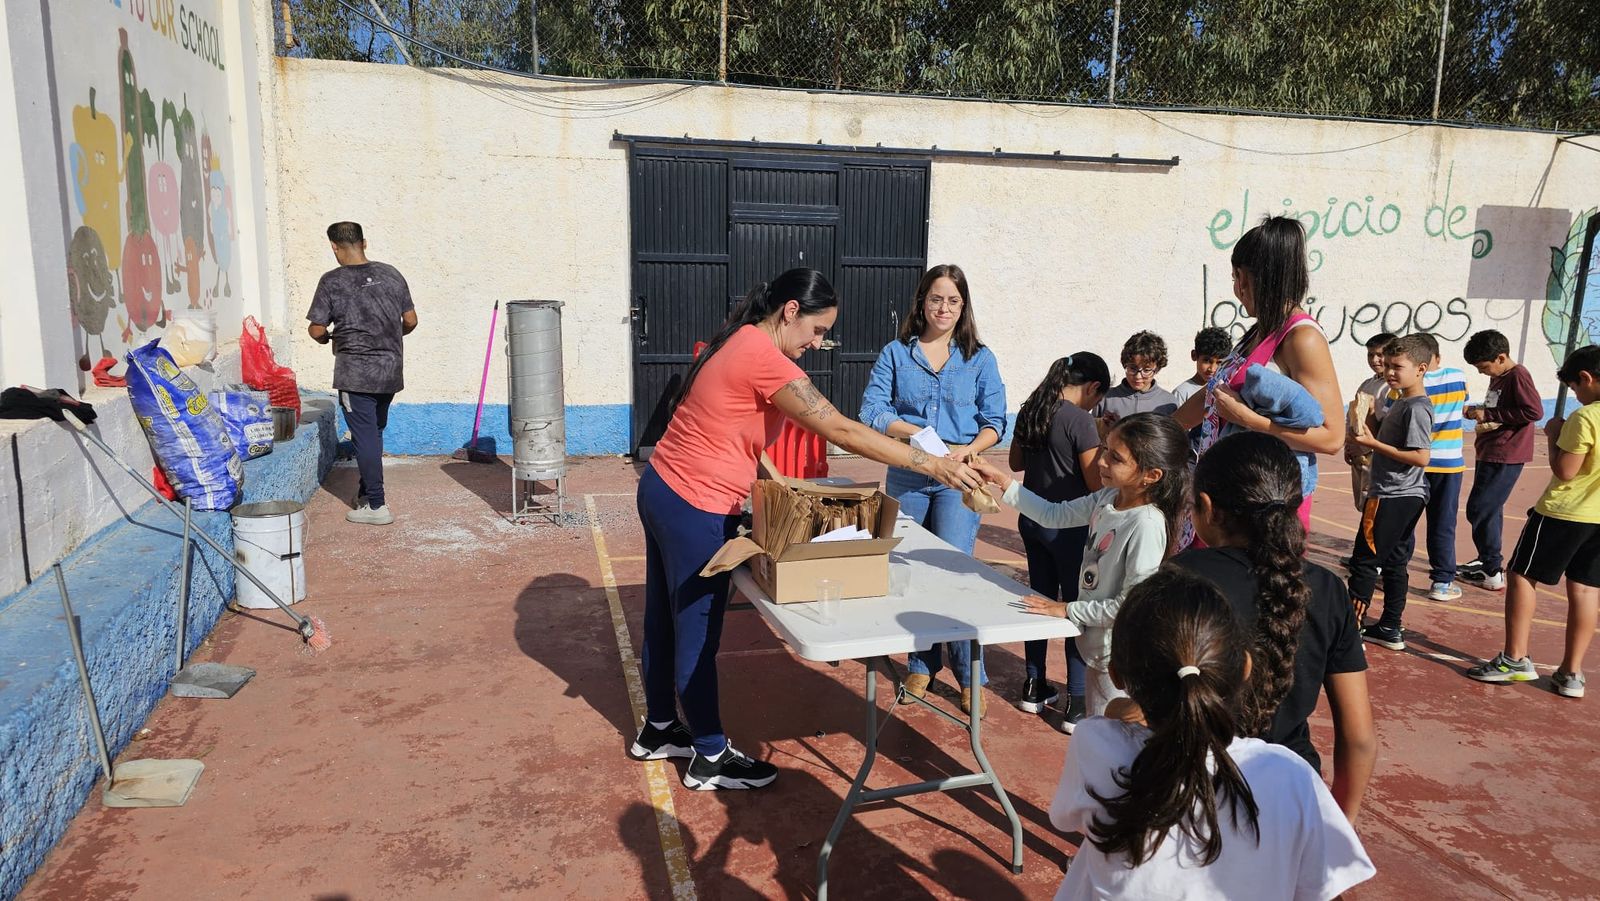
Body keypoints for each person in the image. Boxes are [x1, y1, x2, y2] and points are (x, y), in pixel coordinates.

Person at [631, 268, 983, 790]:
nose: (818, 344)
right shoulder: (762, 357)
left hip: (663, 488)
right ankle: (708, 753)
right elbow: (840, 427)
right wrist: (935, 465)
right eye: (817, 332)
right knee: (697, 631)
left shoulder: (739, 337)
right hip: (696, 504)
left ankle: (660, 727)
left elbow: (734, 433)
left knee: (665, 617)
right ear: (790, 311)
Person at [1047, 568, 1376, 900]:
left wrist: (1120, 708)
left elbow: (1067, 815)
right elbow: (1324, 889)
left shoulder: (1096, 746)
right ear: (1246, 668)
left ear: (1117, 675)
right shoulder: (1291, 776)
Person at [1174, 431, 1376, 821]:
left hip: (1193, 793)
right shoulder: (1328, 588)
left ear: (1207, 507)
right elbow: (1359, 737)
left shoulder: (1179, 577)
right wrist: (1340, 827)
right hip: (1293, 795)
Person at [860, 264, 1007, 714]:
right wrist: (916, 439)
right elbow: (872, 411)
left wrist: (963, 451)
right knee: (910, 571)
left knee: (952, 571)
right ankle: (922, 665)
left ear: (963, 308)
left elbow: (996, 422)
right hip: (909, 475)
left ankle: (970, 675)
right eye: (936, 299)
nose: (944, 308)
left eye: (953, 301)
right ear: (922, 302)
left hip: (959, 480)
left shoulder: (979, 358)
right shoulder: (896, 353)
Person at [973, 413, 1189, 718]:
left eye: (1115, 458)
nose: (1101, 461)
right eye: (1104, 449)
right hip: (1096, 650)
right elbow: (1054, 514)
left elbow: (1130, 606)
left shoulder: (1146, 525)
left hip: (1119, 661)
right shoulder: (1108, 498)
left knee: (1109, 740)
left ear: (1151, 475)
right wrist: (1001, 480)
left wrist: (1069, 609)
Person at [1176, 216, 1345, 540]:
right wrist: (1161, 429)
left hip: (1261, 509)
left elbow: (1332, 437)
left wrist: (1251, 420)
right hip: (1226, 494)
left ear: (1260, 279)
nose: (1237, 288)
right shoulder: (1257, 331)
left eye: (1240, 277)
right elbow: (1216, 394)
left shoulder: (1302, 339)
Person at [1468, 345, 1600, 699]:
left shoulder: (1586, 418)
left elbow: (1565, 471)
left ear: (1586, 379)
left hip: (1564, 512)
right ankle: (1572, 672)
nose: (1575, 395)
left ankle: (1514, 659)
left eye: (1575, 388)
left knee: (1522, 574)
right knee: (1586, 589)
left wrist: (1554, 435)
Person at [1007, 352, 1110, 730]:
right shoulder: (1080, 420)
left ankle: (1033, 684)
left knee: (1039, 602)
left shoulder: (1034, 408)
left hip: (1032, 521)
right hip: (1071, 528)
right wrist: (1098, 438)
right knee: (1074, 609)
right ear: (1093, 387)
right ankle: (1077, 701)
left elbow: (1016, 463)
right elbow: (1095, 482)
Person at [306, 221, 417, 526]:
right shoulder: (392, 274)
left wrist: (324, 337)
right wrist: (388, 334)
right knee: (374, 432)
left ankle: (377, 506)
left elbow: (316, 328)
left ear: (333, 247)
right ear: (364, 242)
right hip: (390, 369)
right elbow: (411, 319)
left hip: (355, 373)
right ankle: (367, 493)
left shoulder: (332, 281)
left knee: (364, 435)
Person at [1348, 336, 1435, 652]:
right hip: (1401, 494)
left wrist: (1374, 445)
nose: (1389, 372)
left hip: (1393, 495)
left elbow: (1420, 456)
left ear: (1421, 369)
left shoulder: (1417, 408)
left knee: (1364, 561)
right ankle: (1390, 626)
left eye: (1398, 367)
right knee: (1396, 562)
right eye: (1387, 365)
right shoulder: (1400, 402)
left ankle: (1350, 628)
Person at [1459, 329, 1543, 591]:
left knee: (1480, 509)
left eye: (1484, 367)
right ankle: (1488, 561)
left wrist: (1490, 413)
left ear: (1501, 357)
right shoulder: (1502, 376)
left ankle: (1492, 568)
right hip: (1491, 450)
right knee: (1489, 509)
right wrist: (1478, 412)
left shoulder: (1518, 375)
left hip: (1506, 453)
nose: (1482, 373)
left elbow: (1533, 410)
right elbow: (1499, 408)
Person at [1405, 333, 1471, 602]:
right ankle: (1442, 582)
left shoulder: (1409, 385)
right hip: (1449, 463)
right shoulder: (1458, 377)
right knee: (1443, 524)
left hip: (1415, 461)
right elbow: (1464, 405)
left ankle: (1393, 572)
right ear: (1437, 357)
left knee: (1404, 523)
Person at [1344, 332, 1398, 510]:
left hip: (1376, 453)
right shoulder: (1367, 384)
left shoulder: (1392, 386)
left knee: (1374, 502)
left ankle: (1371, 537)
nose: (1375, 360)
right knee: (1362, 501)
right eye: (1370, 355)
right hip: (1359, 451)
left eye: (1380, 355)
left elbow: (1387, 423)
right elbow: (1353, 415)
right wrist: (1349, 444)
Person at [1095, 331, 1179, 421]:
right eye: (1132, 368)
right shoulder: (1106, 398)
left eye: (1146, 370)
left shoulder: (1168, 402)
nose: (1138, 376)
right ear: (1124, 364)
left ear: (1157, 369)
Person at [1172, 326, 1232, 406]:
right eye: (1207, 361)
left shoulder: (1226, 390)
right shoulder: (1182, 393)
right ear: (1194, 355)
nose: (1212, 369)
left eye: (1219, 363)